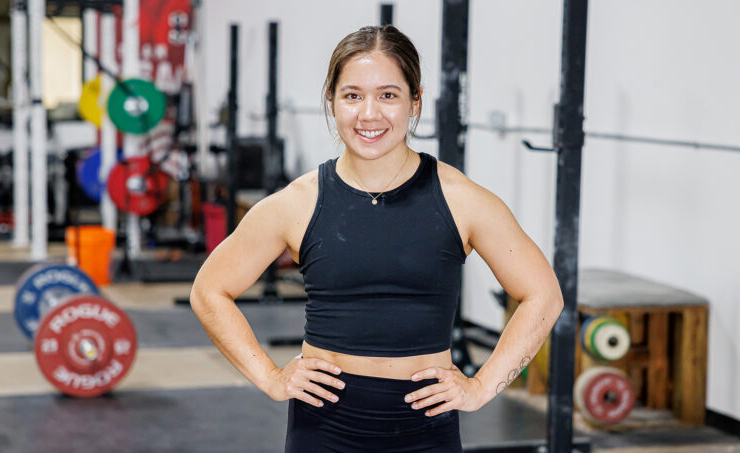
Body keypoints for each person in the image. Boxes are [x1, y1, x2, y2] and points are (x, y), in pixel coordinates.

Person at [190, 24, 562, 452]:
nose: (369, 114)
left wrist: (481, 387)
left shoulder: (462, 200)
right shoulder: (296, 203)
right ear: (331, 101)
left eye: (388, 95)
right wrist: (271, 378)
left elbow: (543, 295)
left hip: (427, 430)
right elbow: (210, 290)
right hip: (323, 429)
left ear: (415, 101)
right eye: (352, 95)